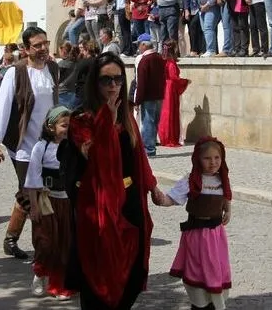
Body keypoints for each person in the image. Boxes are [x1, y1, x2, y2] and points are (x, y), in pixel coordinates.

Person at [58, 53, 164, 309]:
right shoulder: (82, 119)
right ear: (95, 82)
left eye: (117, 79)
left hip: (128, 202)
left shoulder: (126, 114)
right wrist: (107, 117)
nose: (113, 85)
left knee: (132, 273)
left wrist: (152, 186)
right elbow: (96, 156)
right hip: (98, 207)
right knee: (99, 278)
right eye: (106, 80)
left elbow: (138, 154)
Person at [0, 27, 59, 259]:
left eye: (45, 43)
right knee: (31, 194)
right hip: (24, 145)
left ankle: (13, 238)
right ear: (26, 49)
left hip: (49, 145)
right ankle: (38, 245)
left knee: (46, 192)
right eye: (37, 45)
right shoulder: (15, 73)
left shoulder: (53, 69)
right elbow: (3, 106)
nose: (43, 48)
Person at [153, 137, 233, 310]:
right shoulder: (192, 180)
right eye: (207, 158)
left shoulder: (222, 179)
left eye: (217, 158)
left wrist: (228, 210)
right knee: (198, 272)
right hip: (197, 235)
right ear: (198, 159)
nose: (213, 162)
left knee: (215, 269)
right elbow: (173, 198)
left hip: (216, 236)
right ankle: (199, 304)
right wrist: (162, 199)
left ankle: (213, 303)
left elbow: (226, 195)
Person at [26, 105, 75, 301]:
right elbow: (32, 178)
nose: (67, 129)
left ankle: (59, 285)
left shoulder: (73, 147)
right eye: (64, 125)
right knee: (45, 242)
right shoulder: (41, 147)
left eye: (70, 126)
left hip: (67, 202)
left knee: (65, 244)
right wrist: (34, 205)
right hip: (46, 201)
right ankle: (39, 273)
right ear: (51, 126)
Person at [133, 34, 166, 157]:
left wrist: (137, 100)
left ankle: (148, 149)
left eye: (139, 45)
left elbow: (141, 83)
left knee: (147, 122)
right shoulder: (159, 58)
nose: (138, 48)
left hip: (148, 97)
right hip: (159, 95)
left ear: (144, 45)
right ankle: (150, 147)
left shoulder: (144, 60)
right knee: (154, 122)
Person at [157, 40, 189, 148]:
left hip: (164, 87)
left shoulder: (163, 61)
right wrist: (185, 81)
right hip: (170, 88)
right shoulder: (171, 63)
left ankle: (163, 136)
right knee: (170, 113)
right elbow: (174, 77)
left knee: (165, 112)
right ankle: (169, 137)